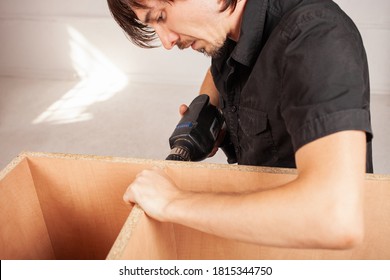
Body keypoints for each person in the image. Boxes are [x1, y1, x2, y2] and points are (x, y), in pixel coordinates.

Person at [107, 0, 373, 249]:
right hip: (261, 228)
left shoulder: (316, 38)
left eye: (161, 16)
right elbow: (219, 75)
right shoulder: (227, 30)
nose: (167, 41)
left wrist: (171, 202)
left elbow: (335, 217)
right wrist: (210, 115)